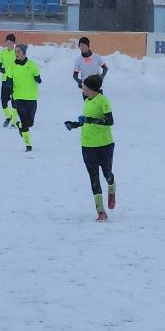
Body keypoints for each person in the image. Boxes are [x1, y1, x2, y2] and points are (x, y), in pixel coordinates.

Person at [64, 73, 116, 221]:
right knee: (93, 177)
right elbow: (86, 120)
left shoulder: (103, 100)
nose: (82, 89)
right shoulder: (86, 100)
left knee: (107, 174)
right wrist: (75, 124)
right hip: (87, 145)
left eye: (85, 87)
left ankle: (112, 188)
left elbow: (110, 121)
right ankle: (100, 211)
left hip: (104, 144)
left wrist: (92, 120)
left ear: (92, 89)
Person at [6, 43, 41, 152]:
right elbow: (8, 80)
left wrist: (38, 79)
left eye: (19, 51)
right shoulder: (11, 66)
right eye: (15, 51)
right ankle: (28, 145)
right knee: (25, 122)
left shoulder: (32, 65)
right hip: (18, 97)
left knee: (30, 122)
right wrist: (9, 87)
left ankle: (20, 125)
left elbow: (38, 77)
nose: (16, 53)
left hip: (32, 97)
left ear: (24, 53)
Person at [0, 32, 18, 125]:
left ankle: (13, 121)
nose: (8, 44)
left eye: (10, 42)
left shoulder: (17, 51)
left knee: (15, 101)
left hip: (15, 80)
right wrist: (3, 70)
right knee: (3, 100)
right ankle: (8, 117)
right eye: (7, 42)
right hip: (5, 80)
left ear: (13, 43)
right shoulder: (2, 52)